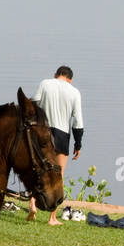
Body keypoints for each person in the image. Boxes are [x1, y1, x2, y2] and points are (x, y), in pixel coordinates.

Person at [29, 65, 84, 225]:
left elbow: (33, 104)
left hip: (43, 132)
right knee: (58, 176)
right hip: (61, 135)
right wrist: (78, 144)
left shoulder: (45, 83)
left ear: (55, 75)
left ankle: (32, 203)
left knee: (37, 169)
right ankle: (52, 217)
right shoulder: (74, 92)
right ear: (70, 79)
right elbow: (78, 121)